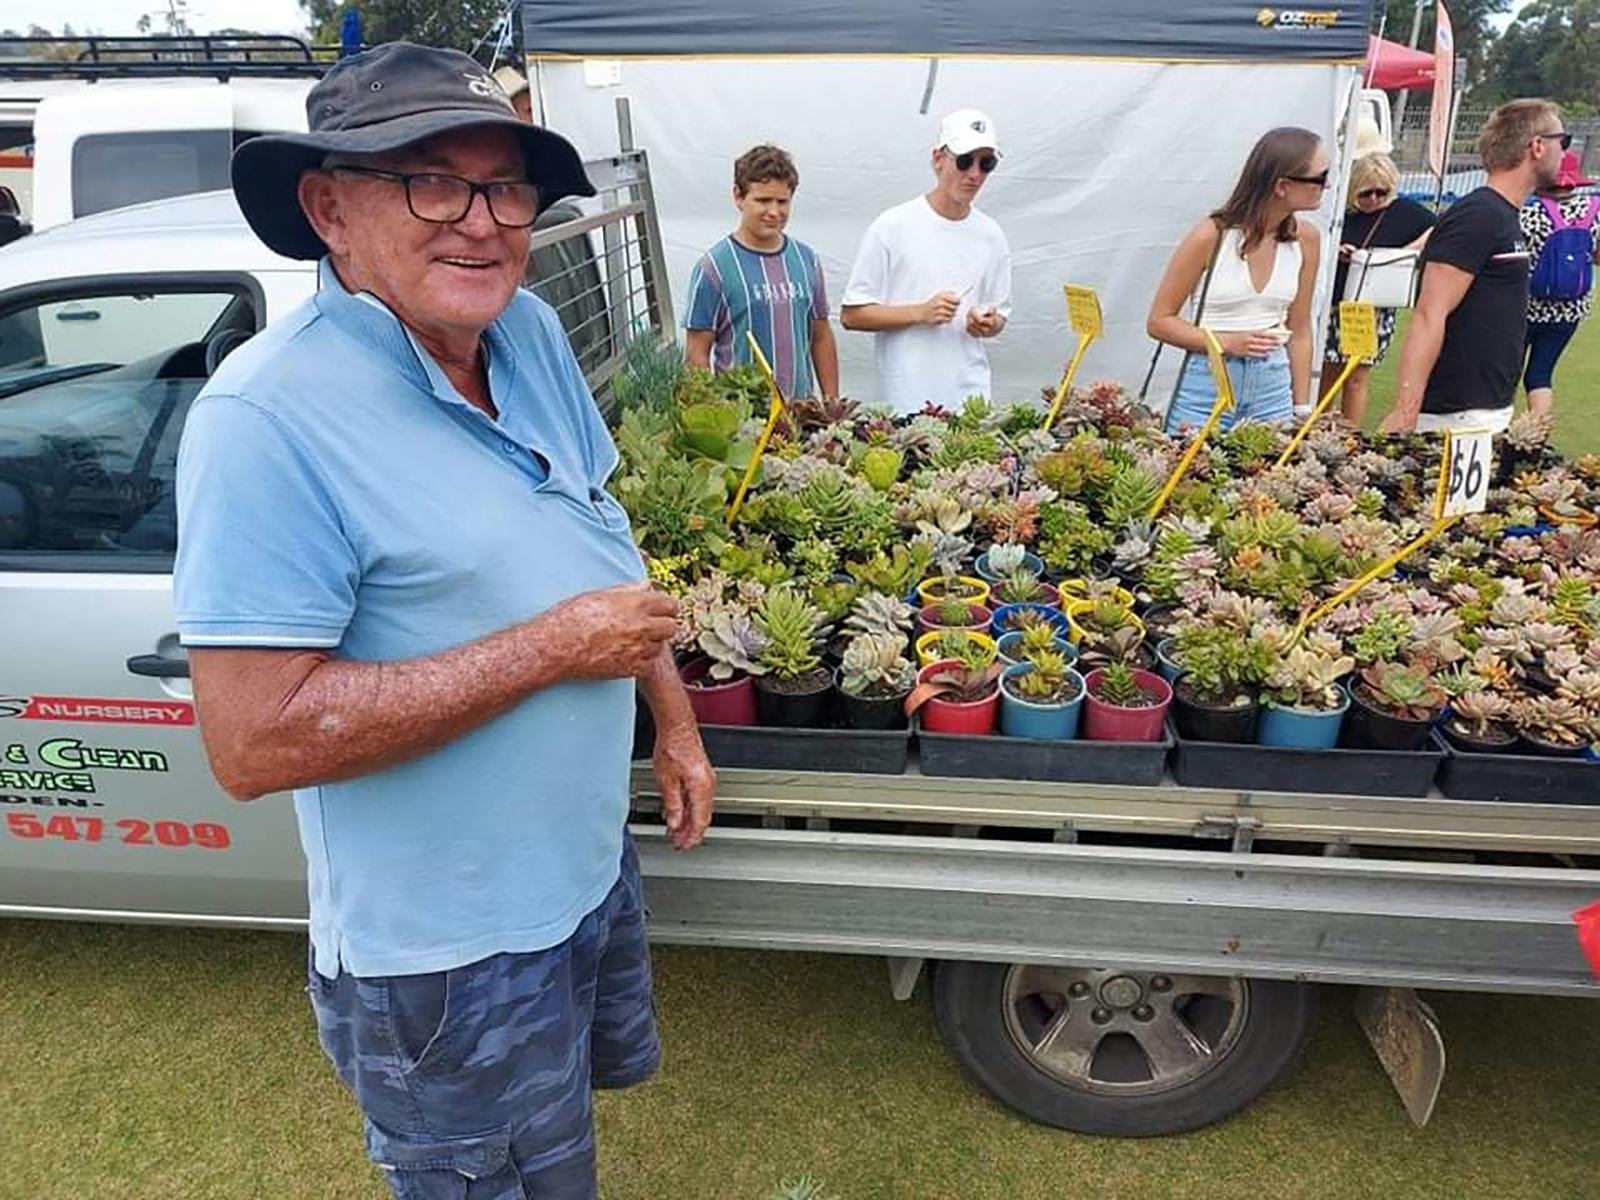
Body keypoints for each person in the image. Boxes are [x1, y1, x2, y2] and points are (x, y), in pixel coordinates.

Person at [173, 43, 716, 1199]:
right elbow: (253, 741)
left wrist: (672, 719)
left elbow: (597, 532)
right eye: (430, 180)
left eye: (505, 186)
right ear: (330, 209)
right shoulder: (264, 419)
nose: (481, 222)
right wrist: (550, 649)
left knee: (558, 1153)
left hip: (579, 875)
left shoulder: (523, 337)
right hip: (452, 954)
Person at [1381, 99, 1566, 435]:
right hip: (1456, 413)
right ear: (1537, 147)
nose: (1565, 152)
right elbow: (1429, 313)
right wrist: (1405, 410)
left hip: (1483, 409)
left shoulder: (1503, 214)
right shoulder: (1479, 214)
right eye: (1562, 141)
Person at [1148, 126, 1326, 432]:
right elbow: (1159, 320)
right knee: (1192, 473)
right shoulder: (1211, 236)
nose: (1327, 186)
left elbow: (1299, 329)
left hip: (1273, 383)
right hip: (1208, 380)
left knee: (1271, 476)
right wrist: (1226, 342)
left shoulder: (1306, 239)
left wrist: (1302, 407)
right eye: (1319, 178)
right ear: (1282, 186)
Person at [840, 107, 1012, 414]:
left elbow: (1000, 316)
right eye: (964, 161)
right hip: (906, 400)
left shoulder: (991, 235)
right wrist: (920, 312)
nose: (974, 174)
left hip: (971, 402)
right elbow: (852, 314)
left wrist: (987, 322)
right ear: (938, 159)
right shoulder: (892, 227)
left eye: (986, 164)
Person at [684, 144, 838, 400]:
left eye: (782, 202)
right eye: (763, 200)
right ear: (738, 197)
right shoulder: (714, 268)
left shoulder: (806, 260)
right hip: (742, 425)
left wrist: (832, 403)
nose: (774, 212)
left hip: (801, 417)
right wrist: (714, 416)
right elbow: (697, 353)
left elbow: (820, 336)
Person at [1321, 151, 1435, 426]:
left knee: (1357, 376)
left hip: (1373, 308)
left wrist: (1405, 252)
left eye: (1380, 193)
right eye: (1365, 193)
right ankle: (1317, 428)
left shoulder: (1405, 212)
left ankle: (1351, 434)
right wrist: (1336, 250)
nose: (1373, 200)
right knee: (1327, 374)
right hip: (1336, 303)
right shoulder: (1339, 214)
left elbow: (1441, 227)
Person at [1520, 150, 1599, 421]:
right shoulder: (1594, 211)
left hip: (1525, 306)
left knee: (1505, 374)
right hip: (1570, 309)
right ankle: (1535, 438)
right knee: (1541, 374)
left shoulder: (1529, 213)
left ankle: (1495, 435)